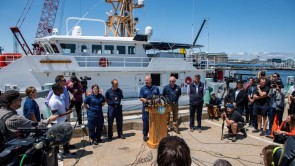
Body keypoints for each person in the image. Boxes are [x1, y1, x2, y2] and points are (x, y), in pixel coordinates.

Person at [48, 83, 75, 158]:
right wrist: (67, 113)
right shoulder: (53, 100)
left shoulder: (60, 96)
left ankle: (66, 152)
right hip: (57, 123)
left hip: (63, 121)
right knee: (57, 139)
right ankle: (56, 155)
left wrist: (67, 109)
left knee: (65, 138)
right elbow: (54, 115)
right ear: (56, 90)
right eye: (61, 88)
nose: (63, 89)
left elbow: (61, 109)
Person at [139, 75, 160, 142]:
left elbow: (159, 97)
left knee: (154, 121)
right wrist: (146, 101)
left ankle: (154, 133)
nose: (146, 81)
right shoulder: (143, 89)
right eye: (145, 80)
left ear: (151, 80)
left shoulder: (156, 88)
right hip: (146, 108)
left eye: (147, 80)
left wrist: (157, 100)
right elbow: (140, 98)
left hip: (154, 109)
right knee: (146, 122)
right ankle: (145, 135)